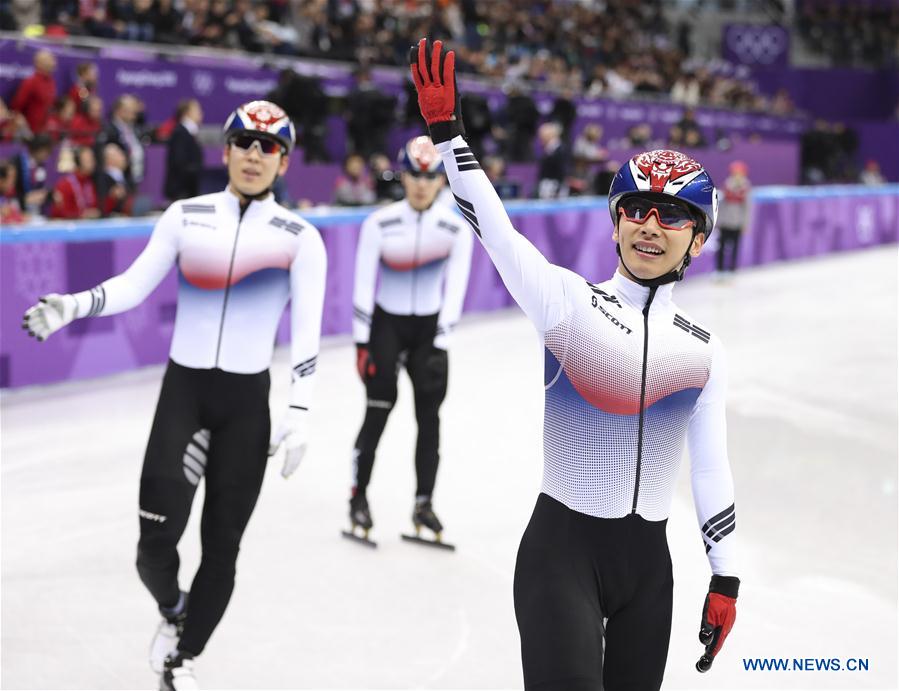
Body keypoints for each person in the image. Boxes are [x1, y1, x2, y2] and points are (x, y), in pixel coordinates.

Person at [410, 39, 740, 690]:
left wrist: (725, 576)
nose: (649, 224)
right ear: (614, 225)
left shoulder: (703, 349)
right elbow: (495, 230)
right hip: (561, 556)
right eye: (634, 209)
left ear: (698, 240)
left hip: (649, 572)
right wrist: (448, 137)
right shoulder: (567, 302)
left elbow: (709, 467)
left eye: (671, 214)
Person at [22, 100, 327, 691]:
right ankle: (172, 608)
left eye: (268, 147)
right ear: (226, 150)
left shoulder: (300, 239)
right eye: (244, 143)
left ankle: (182, 658)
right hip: (184, 394)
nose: (254, 155)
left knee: (222, 547)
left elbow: (307, 334)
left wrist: (300, 412)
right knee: (153, 544)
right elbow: (134, 285)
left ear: (284, 161)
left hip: (246, 405)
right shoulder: (186, 216)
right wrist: (72, 306)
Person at [348, 135, 473, 543]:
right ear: (402, 176)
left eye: (431, 176)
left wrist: (442, 340)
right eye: (415, 175)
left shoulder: (455, 228)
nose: (422, 184)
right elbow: (362, 285)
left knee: (429, 421)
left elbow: (456, 290)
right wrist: (361, 343)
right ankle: (358, 497)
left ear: (442, 181)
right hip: (386, 328)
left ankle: (424, 503)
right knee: (376, 413)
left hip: (428, 334)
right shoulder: (378, 223)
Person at [164, 99, 204, 201]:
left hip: (189, 190)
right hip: (181, 191)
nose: (201, 113)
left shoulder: (190, 132)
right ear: (187, 113)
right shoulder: (180, 133)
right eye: (197, 110)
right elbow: (179, 162)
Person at [716, 161, 751, 276]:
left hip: (737, 222)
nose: (737, 175)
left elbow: (747, 207)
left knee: (735, 247)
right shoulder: (727, 184)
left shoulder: (746, 187)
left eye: (739, 173)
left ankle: (732, 269)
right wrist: (719, 220)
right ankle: (719, 269)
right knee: (721, 246)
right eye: (735, 173)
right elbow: (721, 204)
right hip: (725, 222)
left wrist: (745, 223)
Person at [10, 49, 57, 134]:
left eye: (53, 60)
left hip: (45, 130)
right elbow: (17, 105)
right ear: (38, 63)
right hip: (31, 131)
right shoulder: (31, 82)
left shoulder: (51, 82)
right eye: (49, 60)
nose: (53, 63)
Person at [49, 145, 100, 219]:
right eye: (88, 160)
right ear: (78, 161)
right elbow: (58, 212)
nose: (93, 163)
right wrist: (80, 214)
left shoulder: (92, 181)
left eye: (93, 159)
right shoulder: (65, 184)